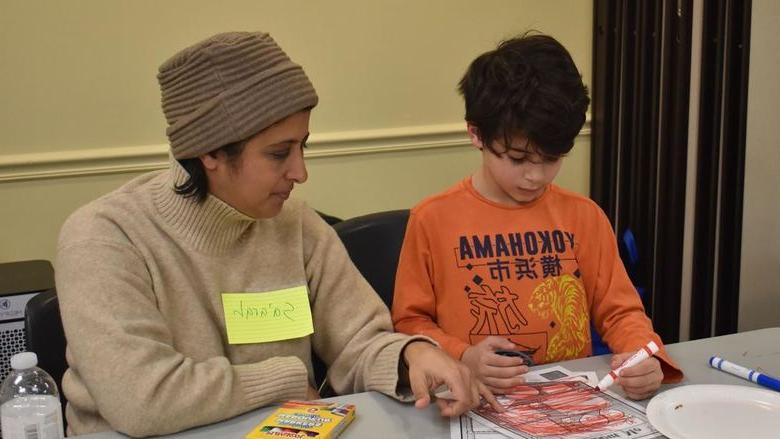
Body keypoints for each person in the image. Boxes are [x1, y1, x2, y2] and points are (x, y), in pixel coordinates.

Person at [55, 31, 497, 437]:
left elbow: (359, 342)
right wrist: (284, 378)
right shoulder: (104, 238)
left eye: (302, 146)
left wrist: (410, 358)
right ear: (208, 151)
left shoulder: (296, 225)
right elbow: (142, 399)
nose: (300, 172)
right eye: (278, 153)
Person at [391, 33, 683, 401]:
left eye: (552, 159)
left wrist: (644, 355)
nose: (537, 176)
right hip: (474, 401)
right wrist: (462, 355)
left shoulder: (584, 217)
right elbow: (409, 324)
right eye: (517, 159)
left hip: (570, 401)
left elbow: (621, 313)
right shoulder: (432, 219)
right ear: (476, 134)